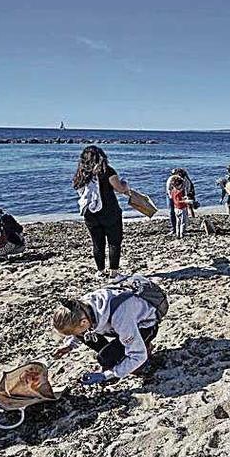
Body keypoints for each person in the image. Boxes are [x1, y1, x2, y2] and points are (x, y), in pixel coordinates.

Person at [50, 279, 162, 385]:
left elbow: (138, 355)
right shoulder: (80, 307)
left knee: (106, 358)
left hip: (146, 324)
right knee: (86, 336)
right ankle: (120, 354)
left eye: (74, 333)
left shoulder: (120, 317)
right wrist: (69, 345)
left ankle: (144, 350)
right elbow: (78, 329)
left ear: (83, 322)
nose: (75, 335)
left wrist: (107, 375)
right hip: (120, 324)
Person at [72, 145, 130, 280]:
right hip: (109, 212)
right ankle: (114, 274)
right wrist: (125, 184)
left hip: (90, 213)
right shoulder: (107, 171)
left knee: (97, 243)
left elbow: (78, 189)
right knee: (114, 242)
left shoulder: (81, 173)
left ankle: (100, 271)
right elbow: (120, 189)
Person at [165, 169, 185, 234]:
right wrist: (176, 201)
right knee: (172, 211)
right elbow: (170, 193)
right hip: (171, 194)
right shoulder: (170, 181)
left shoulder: (183, 180)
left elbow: (186, 188)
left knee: (181, 212)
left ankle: (180, 228)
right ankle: (174, 228)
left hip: (179, 193)